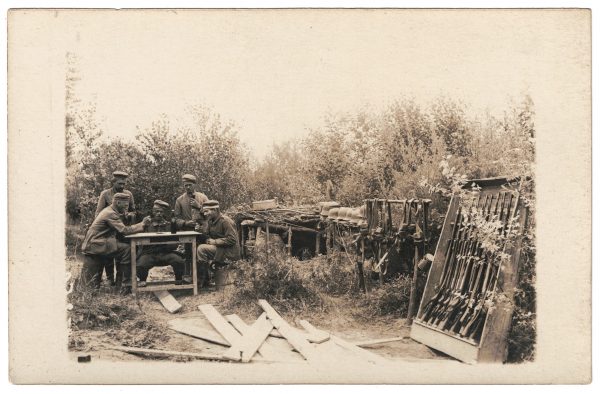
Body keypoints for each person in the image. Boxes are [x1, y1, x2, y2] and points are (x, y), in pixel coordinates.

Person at [81, 193, 150, 290]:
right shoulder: (111, 213)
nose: (127, 208)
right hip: (97, 243)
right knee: (127, 249)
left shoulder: (110, 210)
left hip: (98, 242)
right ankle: (126, 284)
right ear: (118, 202)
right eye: (125, 205)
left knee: (124, 247)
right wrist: (142, 224)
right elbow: (124, 230)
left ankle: (121, 282)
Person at [94, 170, 136, 286]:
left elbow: (133, 211)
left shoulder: (128, 194)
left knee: (122, 254)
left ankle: (120, 280)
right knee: (108, 255)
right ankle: (109, 279)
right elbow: (98, 213)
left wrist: (130, 215)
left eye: (124, 184)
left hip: (122, 229)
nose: (122, 186)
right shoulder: (105, 194)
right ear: (113, 182)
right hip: (109, 230)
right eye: (119, 184)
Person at [136, 200, 186, 287]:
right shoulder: (146, 224)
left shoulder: (169, 224)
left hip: (166, 253)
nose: (159, 213)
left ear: (164, 213)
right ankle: (142, 280)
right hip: (150, 254)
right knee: (141, 264)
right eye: (156, 211)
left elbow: (175, 243)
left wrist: (169, 245)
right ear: (152, 212)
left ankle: (178, 279)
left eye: (161, 212)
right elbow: (140, 241)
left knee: (179, 261)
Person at [196, 200, 240, 287]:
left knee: (201, 249)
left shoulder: (225, 221)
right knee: (196, 246)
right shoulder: (211, 221)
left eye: (207, 211)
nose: (205, 214)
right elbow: (208, 235)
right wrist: (201, 232)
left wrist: (214, 242)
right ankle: (205, 280)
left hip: (229, 251)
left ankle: (203, 280)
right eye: (204, 212)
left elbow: (232, 240)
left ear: (215, 210)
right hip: (220, 248)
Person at [174, 174, 209, 278]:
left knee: (203, 254)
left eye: (190, 185)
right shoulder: (179, 200)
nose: (188, 187)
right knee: (189, 255)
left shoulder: (203, 197)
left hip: (203, 231)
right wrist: (185, 223)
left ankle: (205, 279)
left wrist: (199, 207)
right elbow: (176, 219)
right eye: (186, 185)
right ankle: (189, 278)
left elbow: (210, 213)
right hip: (188, 232)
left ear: (194, 184)